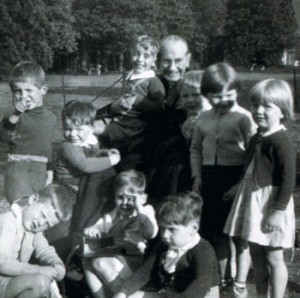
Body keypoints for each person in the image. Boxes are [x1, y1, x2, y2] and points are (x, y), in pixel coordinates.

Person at [224, 79, 296, 298]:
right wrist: (237, 188)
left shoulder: (281, 141)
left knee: (274, 257)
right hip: (252, 201)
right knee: (256, 253)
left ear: (282, 111)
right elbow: (250, 169)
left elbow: (288, 179)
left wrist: (278, 211)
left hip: (271, 203)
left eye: (267, 106)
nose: (259, 111)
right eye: (255, 105)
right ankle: (261, 294)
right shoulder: (257, 138)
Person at [190, 63, 256, 293]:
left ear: (237, 91)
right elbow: (195, 149)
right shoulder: (202, 118)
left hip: (236, 177)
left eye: (229, 95)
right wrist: (197, 175)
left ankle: (240, 283)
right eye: (216, 97)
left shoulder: (244, 118)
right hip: (210, 178)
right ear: (206, 95)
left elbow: (254, 155)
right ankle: (223, 279)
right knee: (215, 233)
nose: (224, 100)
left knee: (238, 235)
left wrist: (240, 184)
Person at [113, 191, 220, 298]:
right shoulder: (164, 246)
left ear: (193, 228)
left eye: (172, 229)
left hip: (201, 294)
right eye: (162, 228)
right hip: (173, 293)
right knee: (133, 296)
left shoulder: (203, 250)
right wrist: (124, 292)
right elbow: (145, 271)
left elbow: (202, 281)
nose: (165, 235)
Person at [82, 170, 158, 297]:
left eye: (131, 198)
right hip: (114, 254)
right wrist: (93, 229)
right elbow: (100, 226)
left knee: (99, 262)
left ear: (143, 199)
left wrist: (140, 212)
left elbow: (151, 233)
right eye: (120, 197)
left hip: (131, 258)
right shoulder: (115, 213)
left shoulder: (145, 212)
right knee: (85, 258)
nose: (125, 202)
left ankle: (123, 295)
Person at [98, 35, 165, 171]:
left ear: (154, 60)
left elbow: (159, 107)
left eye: (146, 56)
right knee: (86, 124)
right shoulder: (130, 77)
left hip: (130, 127)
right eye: (136, 54)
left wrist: (137, 100)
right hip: (118, 120)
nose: (140, 59)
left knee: (89, 130)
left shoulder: (153, 81)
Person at [55, 100, 121, 237]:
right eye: (67, 129)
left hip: (80, 185)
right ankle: (63, 240)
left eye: (78, 129)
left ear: (91, 128)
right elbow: (85, 165)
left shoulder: (89, 141)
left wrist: (105, 153)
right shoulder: (68, 146)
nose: (72, 134)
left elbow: (93, 155)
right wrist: (110, 161)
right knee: (66, 217)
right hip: (67, 186)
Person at [0, 184, 72, 298]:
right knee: (40, 282)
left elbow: (45, 250)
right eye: (42, 215)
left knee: (44, 284)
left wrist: (57, 264)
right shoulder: (7, 220)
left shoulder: (33, 230)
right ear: (33, 199)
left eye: (47, 224)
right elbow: (3, 263)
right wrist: (40, 270)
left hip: (9, 283)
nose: (40, 223)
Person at [0, 60, 56, 203]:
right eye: (18, 91)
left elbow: (47, 146)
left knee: (36, 212)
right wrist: (15, 114)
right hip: (18, 171)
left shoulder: (50, 118)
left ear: (43, 90)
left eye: (28, 90)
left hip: (40, 171)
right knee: (20, 209)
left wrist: (50, 169)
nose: (23, 96)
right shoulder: (13, 116)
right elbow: (3, 137)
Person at [145, 35, 192, 204]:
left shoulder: (196, 87)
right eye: (166, 61)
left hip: (183, 160)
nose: (172, 68)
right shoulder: (149, 85)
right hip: (149, 154)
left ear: (188, 60)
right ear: (157, 61)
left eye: (178, 61)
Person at [179, 70, 211, 143]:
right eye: (185, 96)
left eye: (196, 95)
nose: (190, 100)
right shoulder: (185, 116)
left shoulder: (212, 117)